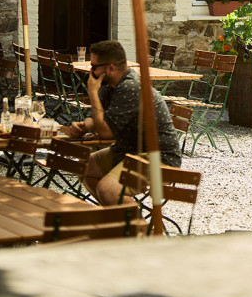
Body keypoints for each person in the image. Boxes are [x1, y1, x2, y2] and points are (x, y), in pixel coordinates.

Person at [64, 40, 183, 206]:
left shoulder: (130, 87)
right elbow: (102, 120)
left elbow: (105, 132)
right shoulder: (111, 86)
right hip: (129, 151)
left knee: (108, 189)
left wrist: (92, 92)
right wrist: (85, 125)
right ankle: (118, 218)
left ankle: (139, 228)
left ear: (111, 68)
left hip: (158, 158)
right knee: (84, 166)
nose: (90, 72)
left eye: (94, 67)